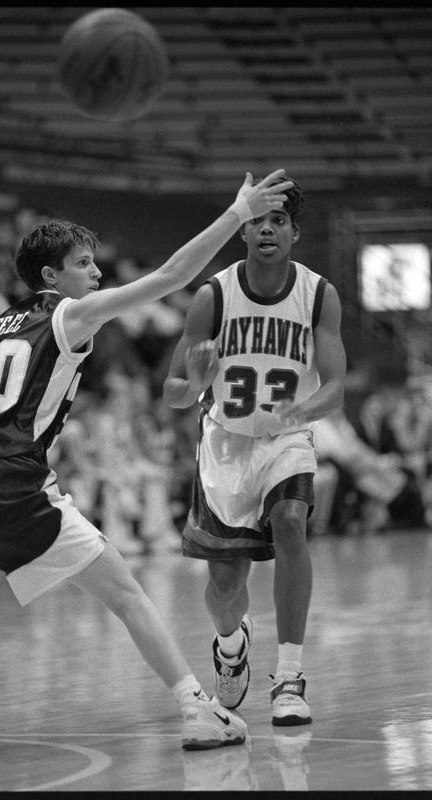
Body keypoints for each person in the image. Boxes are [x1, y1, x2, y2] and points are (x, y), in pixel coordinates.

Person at [0, 168, 291, 751]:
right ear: (51, 276)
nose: (96, 273)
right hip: (9, 478)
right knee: (125, 593)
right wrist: (237, 214)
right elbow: (172, 276)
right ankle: (197, 709)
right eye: (83, 264)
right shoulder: (68, 316)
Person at [163, 176, 347, 726]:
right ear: (242, 230)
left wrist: (303, 412)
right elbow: (173, 392)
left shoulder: (319, 294)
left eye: (278, 221)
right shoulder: (213, 296)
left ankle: (289, 677)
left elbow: (337, 387)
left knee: (291, 522)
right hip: (225, 443)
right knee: (225, 589)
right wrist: (197, 382)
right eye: (257, 220)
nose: (267, 229)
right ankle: (230, 644)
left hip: (287, 437)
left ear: (295, 233)